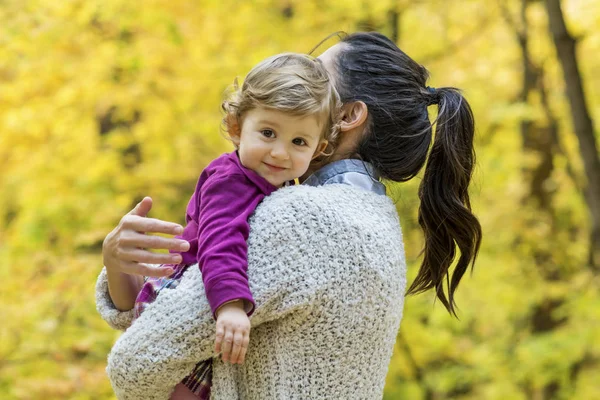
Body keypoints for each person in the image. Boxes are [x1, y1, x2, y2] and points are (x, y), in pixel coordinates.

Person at [96, 32, 482, 400]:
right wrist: (120, 265)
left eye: (315, 74)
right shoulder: (375, 221)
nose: (295, 81)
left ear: (345, 116)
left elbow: (137, 363)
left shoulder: (303, 218)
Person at [126, 52, 340, 399]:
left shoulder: (284, 186)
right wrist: (230, 307)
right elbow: (220, 242)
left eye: (299, 141)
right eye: (268, 133)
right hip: (185, 296)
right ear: (237, 128)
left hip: (213, 294)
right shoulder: (230, 181)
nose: (281, 153)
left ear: (319, 149)